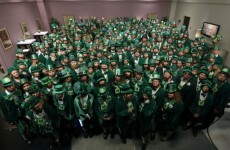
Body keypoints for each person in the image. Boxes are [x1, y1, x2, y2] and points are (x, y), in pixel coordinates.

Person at [0, 76, 31, 144]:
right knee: (22, 128)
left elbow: (22, 99)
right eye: (9, 86)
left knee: (28, 124)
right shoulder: (2, 97)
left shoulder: (18, 90)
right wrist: (8, 119)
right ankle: (25, 138)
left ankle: (31, 134)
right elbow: (3, 110)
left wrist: (24, 102)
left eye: (12, 85)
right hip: (14, 115)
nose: (11, 87)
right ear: (5, 87)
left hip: (23, 111)